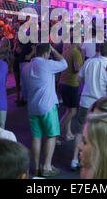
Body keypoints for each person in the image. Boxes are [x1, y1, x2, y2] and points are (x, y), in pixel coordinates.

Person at [21, 43, 67, 177]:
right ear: (47, 53)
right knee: (51, 135)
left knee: (36, 137)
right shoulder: (48, 64)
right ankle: (47, 166)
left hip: (32, 106)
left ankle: (36, 168)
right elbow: (64, 63)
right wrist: (54, 50)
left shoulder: (26, 68)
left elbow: (24, 90)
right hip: (47, 106)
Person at [71, 41, 107, 171]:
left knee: (80, 131)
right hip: (100, 102)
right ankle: (95, 161)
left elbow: (80, 79)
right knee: (99, 133)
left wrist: (88, 87)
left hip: (85, 101)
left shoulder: (89, 62)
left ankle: (74, 159)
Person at [58, 40, 83, 142]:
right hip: (72, 84)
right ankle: (57, 133)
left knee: (68, 110)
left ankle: (68, 133)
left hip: (63, 83)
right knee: (73, 111)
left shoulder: (66, 51)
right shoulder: (76, 52)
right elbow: (77, 68)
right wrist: (84, 66)